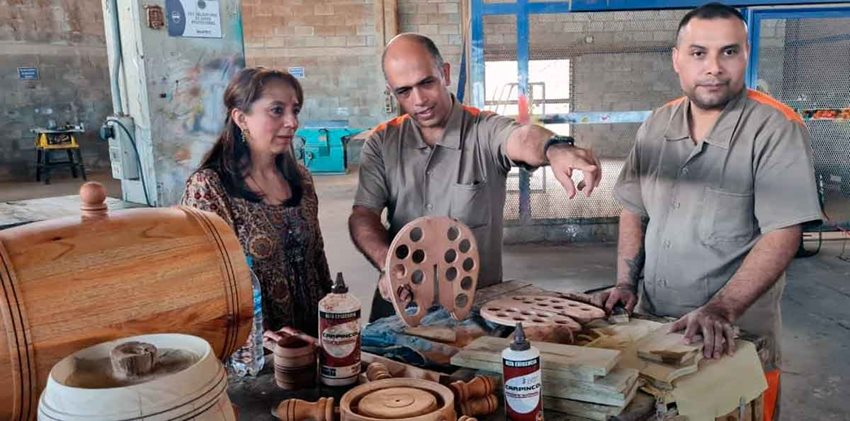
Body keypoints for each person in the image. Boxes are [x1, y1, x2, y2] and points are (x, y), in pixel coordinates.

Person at [603, 3, 821, 419]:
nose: (714, 68)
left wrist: (722, 309)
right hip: (655, 325)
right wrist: (625, 282)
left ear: (746, 54)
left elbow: (783, 233)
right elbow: (633, 207)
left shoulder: (775, 128)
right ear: (677, 60)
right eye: (699, 53)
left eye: (729, 52)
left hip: (735, 336)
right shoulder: (656, 124)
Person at [349, 33, 602, 322]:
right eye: (404, 91)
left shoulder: (483, 130)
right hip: (399, 308)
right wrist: (388, 263)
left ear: (444, 73)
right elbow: (363, 215)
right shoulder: (383, 142)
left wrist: (553, 148)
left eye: (426, 83)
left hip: (473, 312)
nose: (418, 100)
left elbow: (521, 136)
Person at [182, 67, 332, 338]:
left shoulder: (302, 180)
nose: (292, 122)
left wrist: (333, 317)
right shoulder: (210, 188)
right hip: (254, 350)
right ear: (241, 118)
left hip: (312, 340)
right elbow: (201, 286)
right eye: (277, 110)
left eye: (295, 110)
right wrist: (252, 338)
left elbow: (317, 259)